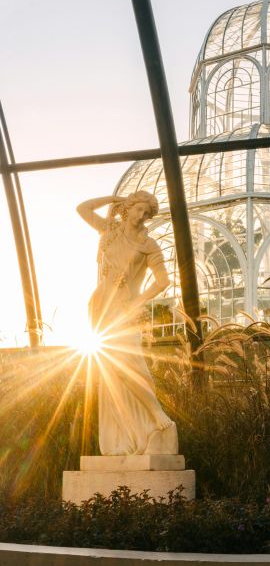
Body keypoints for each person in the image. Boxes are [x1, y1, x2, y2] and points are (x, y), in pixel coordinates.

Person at [77, 191, 178, 457]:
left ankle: (155, 413)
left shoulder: (149, 245)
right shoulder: (110, 230)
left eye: (146, 214)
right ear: (128, 208)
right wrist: (111, 198)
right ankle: (122, 438)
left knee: (129, 364)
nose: (142, 216)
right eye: (138, 210)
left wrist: (139, 301)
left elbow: (162, 281)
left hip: (125, 309)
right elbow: (83, 208)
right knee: (110, 370)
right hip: (101, 306)